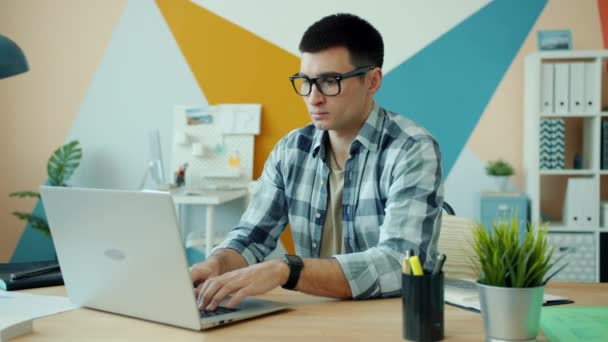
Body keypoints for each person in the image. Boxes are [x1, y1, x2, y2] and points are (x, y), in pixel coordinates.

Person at [191, 13, 443, 312]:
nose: (313, 98)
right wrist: (214, 264)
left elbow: (400, 262)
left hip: (387, 319)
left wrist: (287, 269)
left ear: (372, 80)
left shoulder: (411, 149)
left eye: (329, 82)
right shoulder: (291, 150)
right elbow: (251, 236)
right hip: (315, 313)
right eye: (306, 82)